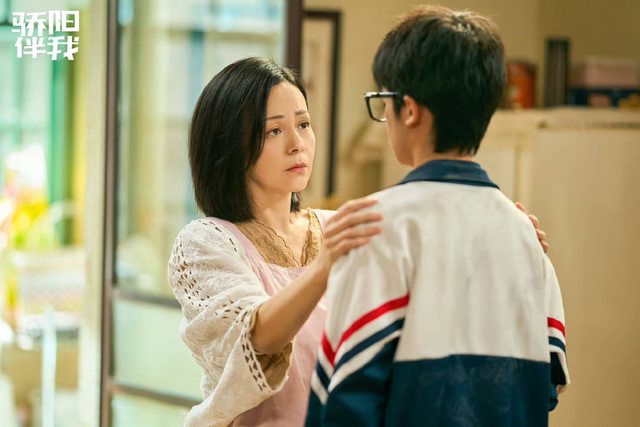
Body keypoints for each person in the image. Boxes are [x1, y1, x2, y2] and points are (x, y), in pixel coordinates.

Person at [168, 57, 549, 426]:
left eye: (304, 124)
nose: (297, 144)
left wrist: (505, 244)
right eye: (274, 131)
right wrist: (324, 266)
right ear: (228, 145)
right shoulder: (206, 242)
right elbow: (257, 337)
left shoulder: (339, 226)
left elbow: (432, 292)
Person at [306, 6, 569, 427]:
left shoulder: (374, 226)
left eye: (383, 102)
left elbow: (347, 395)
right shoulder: (526, 235)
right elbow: (546, 386)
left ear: (408, 110)